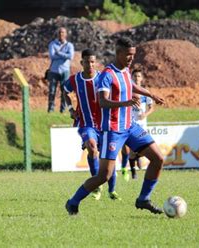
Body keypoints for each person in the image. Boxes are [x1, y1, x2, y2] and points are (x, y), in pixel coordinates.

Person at [65, 37, 165, 216]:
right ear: (118, 53)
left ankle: (143, 199)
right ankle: (73, 201)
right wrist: (126, 102)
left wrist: (150, 94)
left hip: (130, 127)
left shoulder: (126, 70)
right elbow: (102, 102)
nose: (131, 58)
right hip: (113, 131)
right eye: (128, 55)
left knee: (158, 158)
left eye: (133, 55)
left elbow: (130, 85)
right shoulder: (106, 75)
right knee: (104, 176)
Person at [63, 49, 120, 201]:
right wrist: (71, 109)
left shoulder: (103, 78)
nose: (90, 64)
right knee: (91, 147)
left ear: (96, 62)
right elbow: (65, 92)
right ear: (82, 63)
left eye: (93, 61)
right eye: (87, 61)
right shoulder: (75, 80)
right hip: (86, 123)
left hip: (104, 123)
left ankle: (112, 190)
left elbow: (116, 92)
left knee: (108, 158)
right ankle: (96, 184)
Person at [121, 68, 154, 180]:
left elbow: (151, 107)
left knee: (144, 148)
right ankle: (133, 172)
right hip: (131, 124)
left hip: (142, 125)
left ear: (142, 78)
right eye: (135, 76)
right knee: (131, 150)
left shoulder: (145, 92)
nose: (137, 78)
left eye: (139, 76)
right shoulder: (128, 91)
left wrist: (145, 114)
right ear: (132, 78)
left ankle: (138, 157)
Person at [47, 27, 75, 113]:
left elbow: (70, 56)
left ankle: (62, 110)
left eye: (63, 32)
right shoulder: (52, 44)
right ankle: (50, 109)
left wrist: (58, 53)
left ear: (66, 34)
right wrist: (64, 55)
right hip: (54, 71)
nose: (61, 34)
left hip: (65, 71)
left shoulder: (69, 45)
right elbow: (52, 56)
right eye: (59, 32)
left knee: (64, 91)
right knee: (52, 91)